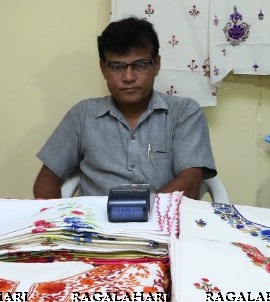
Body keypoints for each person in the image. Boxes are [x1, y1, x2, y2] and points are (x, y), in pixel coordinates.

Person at [33, 17, 216, 200]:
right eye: (117, 66)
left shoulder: (184, 113)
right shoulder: (83, 115)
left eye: (140, 65)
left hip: (162, 224)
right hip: (95, 226)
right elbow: (48, 179)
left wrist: (141, 215)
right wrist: (55, 222)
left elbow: (190, 183)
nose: (128, 77)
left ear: (156, 65)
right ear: (103, 68)